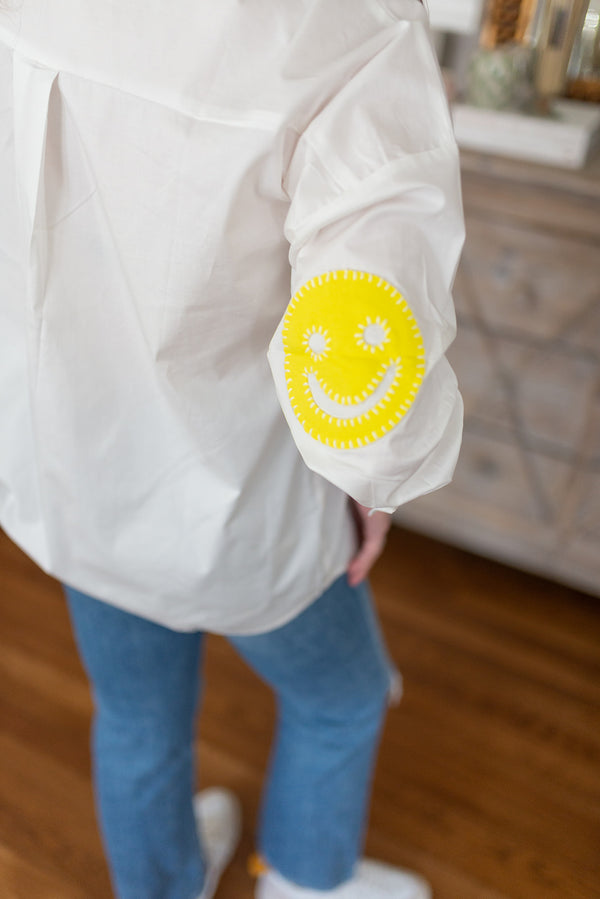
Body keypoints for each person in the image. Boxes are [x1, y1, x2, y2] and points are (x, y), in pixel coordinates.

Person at [0, 0, 464, 897]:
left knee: (136, 716)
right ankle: (301, 881)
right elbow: (366, 358)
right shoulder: (352, 27)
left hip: (72, 468)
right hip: (240, 498)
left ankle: (167, 882)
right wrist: (376, 483)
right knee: (343, 697)